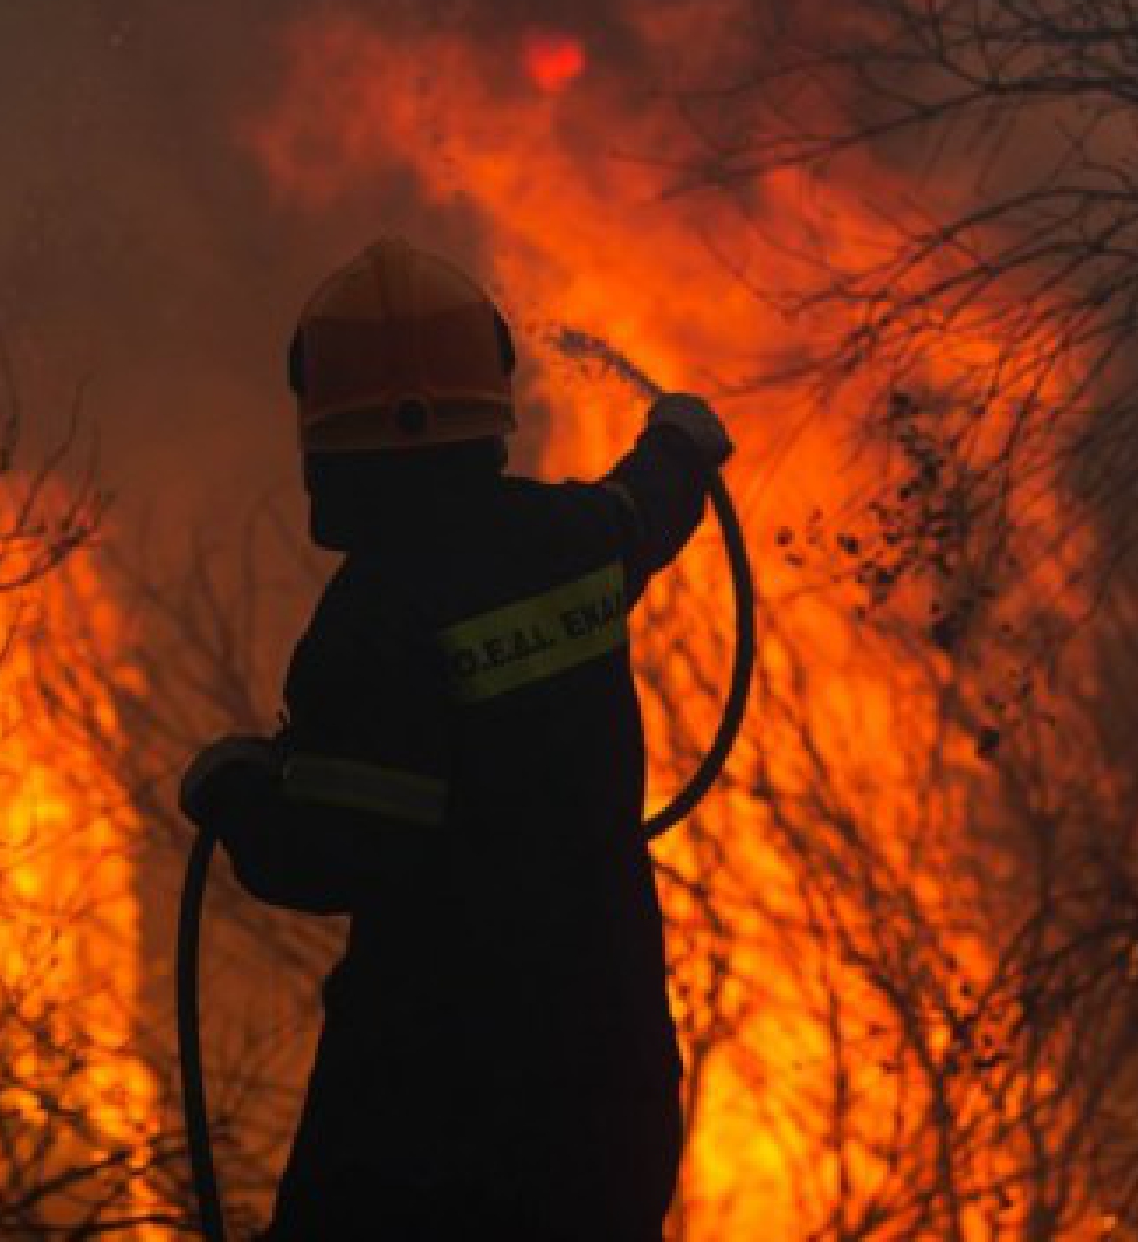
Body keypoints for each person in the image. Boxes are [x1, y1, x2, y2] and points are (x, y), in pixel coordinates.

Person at [180, 236, 732, 1241]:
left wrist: (233, 791)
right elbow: (642, 510)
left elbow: (341, 851)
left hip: (431, 1108)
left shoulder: (371, 621)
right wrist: (682, 444)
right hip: (608, 1083)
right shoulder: (565, 538)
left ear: (323, 431)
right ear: (490, 395)